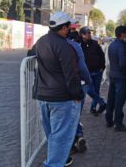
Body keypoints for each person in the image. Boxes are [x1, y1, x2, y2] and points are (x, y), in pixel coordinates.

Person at [34, 12, 83, 166]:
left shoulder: (41, 41)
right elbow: (71, 74)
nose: (70, 30)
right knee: (60, 138)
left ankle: (54, 161)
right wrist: (77, 94)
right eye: (69, 27)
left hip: (44, 97)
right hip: (62, 99)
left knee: (53, 137)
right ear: (63, 28)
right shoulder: (64, 46)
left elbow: (30, 57)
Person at [67, 30, 91, 154]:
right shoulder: (76, 47)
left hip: (61, 87)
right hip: (79, 85)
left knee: (69, 117)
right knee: (74, 115)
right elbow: (83, 68)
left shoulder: (53, 44)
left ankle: (76, 139)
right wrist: (88, 80)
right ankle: (76, 138)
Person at [106, 26, 126, 131]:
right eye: (125, 33)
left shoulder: (112, 45)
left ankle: (109, 120)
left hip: (113, 75)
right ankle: (118, 123)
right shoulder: (121, 46)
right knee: (119, 101)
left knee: (111, 99)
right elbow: (123, 64)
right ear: (122, 34)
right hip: (120, 77)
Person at [79, 27, 107, 116]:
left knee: (96, 90)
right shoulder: (79, 45)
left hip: (98, 71)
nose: (89, 34)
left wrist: (102, 66)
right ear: (82, 35)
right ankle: (102, 102)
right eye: (87, 33)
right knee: (90, 90)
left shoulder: (95, 43)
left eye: (90, 33)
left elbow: (102, 55)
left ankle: (93, 108)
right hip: (87, 73)